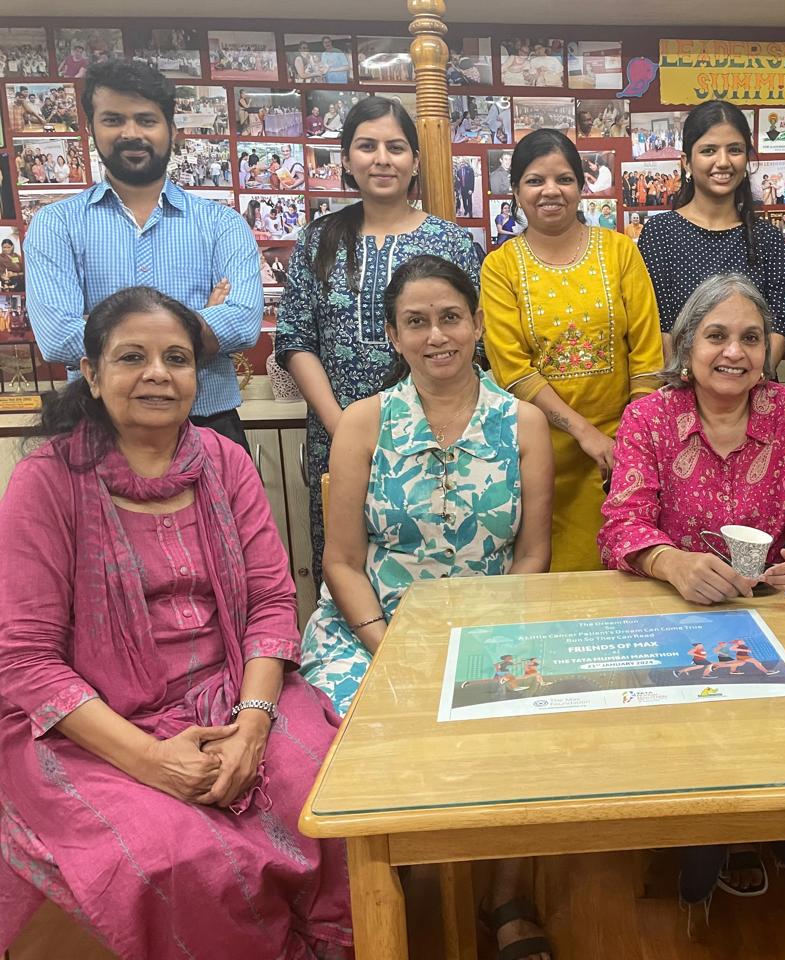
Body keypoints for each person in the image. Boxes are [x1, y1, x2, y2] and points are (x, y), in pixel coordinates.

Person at [0, 286, 352, 958]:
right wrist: (154, 761)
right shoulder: (47, 480)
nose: (159, 373)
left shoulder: (225, 463)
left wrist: (252, 726)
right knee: (179, 853)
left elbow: (272, 605)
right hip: (94, 724)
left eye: (177, 358)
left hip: (233, 693)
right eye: (133, 357)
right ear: (94, 375)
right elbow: (26, 660)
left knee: (325, 793)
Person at [298, 255, 554, 959]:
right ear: (393, 334)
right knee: (348, 734)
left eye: (450, 317)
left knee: (522, 721)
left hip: (490, 628)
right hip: (371, 630)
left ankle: (503, 892)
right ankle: (381, 886)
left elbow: (532, 557)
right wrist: (388, 643)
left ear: (475, 325)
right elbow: (342, 561)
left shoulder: (524, 423)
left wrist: (481, 643)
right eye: (416, 322)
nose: (436, 335)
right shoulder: (363, 422)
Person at [598, 272, 785, 912]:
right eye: (715, 336)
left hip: (775, 613)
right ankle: (710, 832)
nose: (733, 352)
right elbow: (621, 523)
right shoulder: (649, 417)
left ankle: (761, 822)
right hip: (675, 616)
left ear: (769, 350)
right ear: (686, 348)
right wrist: (670, 563)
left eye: (749, 337)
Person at [276, 96, 480, 588]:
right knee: (348, 565)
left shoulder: (450, 241)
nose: (382, 158)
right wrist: (342, 428)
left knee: (437, 552)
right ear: (346, 159)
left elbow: (473, 337)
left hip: (433, 436)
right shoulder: (318, 239)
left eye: (396, 147)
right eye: (367, 146)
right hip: (337, 428)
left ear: (414, 162)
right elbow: (296, 338)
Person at [24, 60, 262, 451]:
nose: (131, 133)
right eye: (114, 119)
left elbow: (242, 323)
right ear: (91, 128)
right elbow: (56, 337)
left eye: (146, 120)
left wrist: (111, 337)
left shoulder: (223, 224)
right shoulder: (56, 225)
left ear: (170, 130)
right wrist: (197, 322)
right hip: (95, 429)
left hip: (208, 426)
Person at [482, 129, 663, 571]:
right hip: (535, 450)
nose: (550, 191)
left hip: (620, 453)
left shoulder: (620, 252)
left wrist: (631, 440)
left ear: (582, 186)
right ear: (516, 191)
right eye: (534, 180)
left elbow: (647, 352)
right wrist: (584, 432)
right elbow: (512, 370)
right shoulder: (500, 266)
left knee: (622, 577)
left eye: (564, 179)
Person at [638, 101, 785, 363]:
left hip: (753, 389)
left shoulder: (767, 237)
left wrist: (751, 379)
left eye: (734, 150)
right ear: (686, 161)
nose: (723, 162)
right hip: (681, 388)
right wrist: (694, 384)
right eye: (709, 150)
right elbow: (658, 324)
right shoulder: (660, 232)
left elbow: (778, 325)